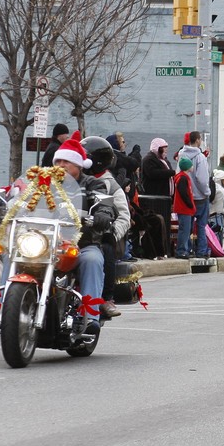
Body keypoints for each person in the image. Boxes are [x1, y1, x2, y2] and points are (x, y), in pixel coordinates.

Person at [50, 133, 113, 338]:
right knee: (9, 251)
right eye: (58, 161)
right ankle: (5, 307)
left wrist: (103, 212)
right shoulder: (43, 182)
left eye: (66, 161)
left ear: (78, 164)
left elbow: (103, 203)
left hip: (81, 243)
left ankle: (90, 317)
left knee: (93, 260)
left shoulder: (92, 184)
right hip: (46, 243)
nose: (61, 165)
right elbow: (23, 196)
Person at [83, 135, 127, 319]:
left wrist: (111, 232)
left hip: (99, 233)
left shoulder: (111, 185)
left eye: (85, 156)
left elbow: (124, 215)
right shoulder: (73, 178)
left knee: (106, 249)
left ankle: (106, 298)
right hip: (72, 232)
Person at [180, 131, 213, 258]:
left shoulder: (182, 154)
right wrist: (207, 192)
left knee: (186, 227)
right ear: (198, 140)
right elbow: (202, 179)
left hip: (187, 196)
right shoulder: (200, 157)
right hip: (200, 197)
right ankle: (201, 251)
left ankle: (186, 250)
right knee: (201, 225)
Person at [173, 157, 197, 258]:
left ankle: (186, 249)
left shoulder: (181, 177)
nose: (192, 166)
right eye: (190, 165)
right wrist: (190, 204)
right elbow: (184, 193)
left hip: (184, 208)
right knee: (185, 230)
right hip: (184, 209)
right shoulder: (183, 178)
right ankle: (181, 251)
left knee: (185, 230)